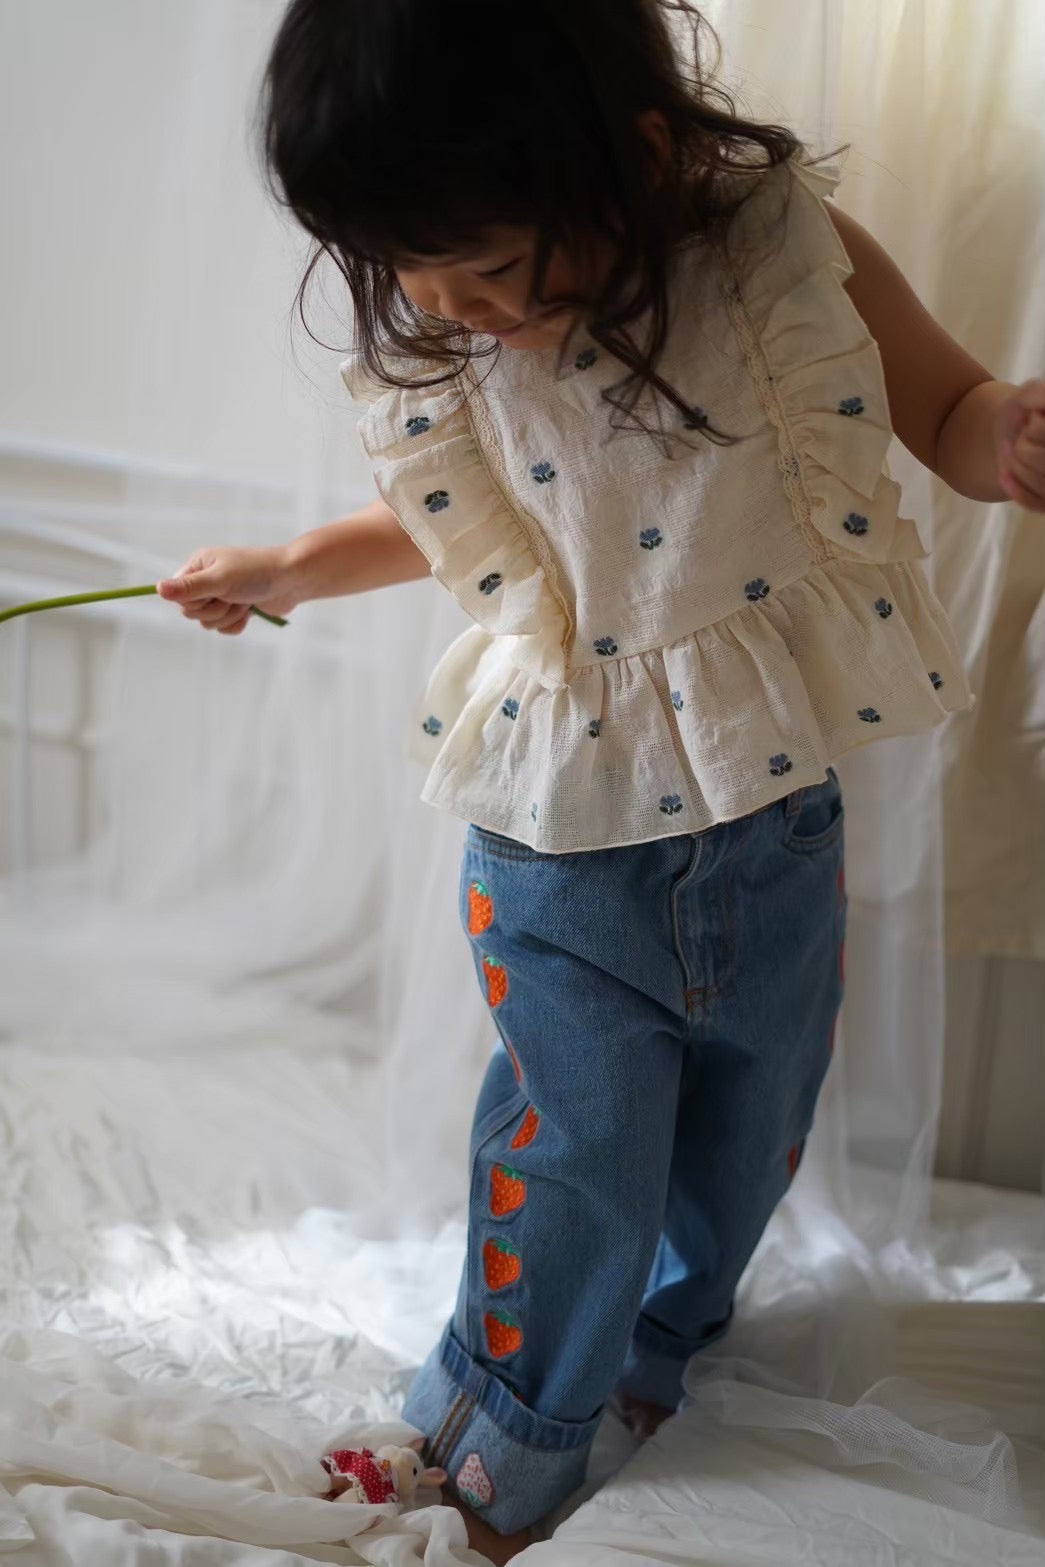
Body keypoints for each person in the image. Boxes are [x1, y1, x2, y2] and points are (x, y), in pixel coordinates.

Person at [156, 1, 1045, 1558]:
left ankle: (660, 1350)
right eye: (414, 274)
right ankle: (499, 1438)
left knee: (747, 1128)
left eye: (492, 267)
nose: (455, 308)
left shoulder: (778, 260)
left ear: (631, 156)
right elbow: (459, 523)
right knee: (574, 1148)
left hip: (769, 813)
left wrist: (1010, 437)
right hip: (560, 835)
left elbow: (947, 413)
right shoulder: (460, 339)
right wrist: (290, 565)